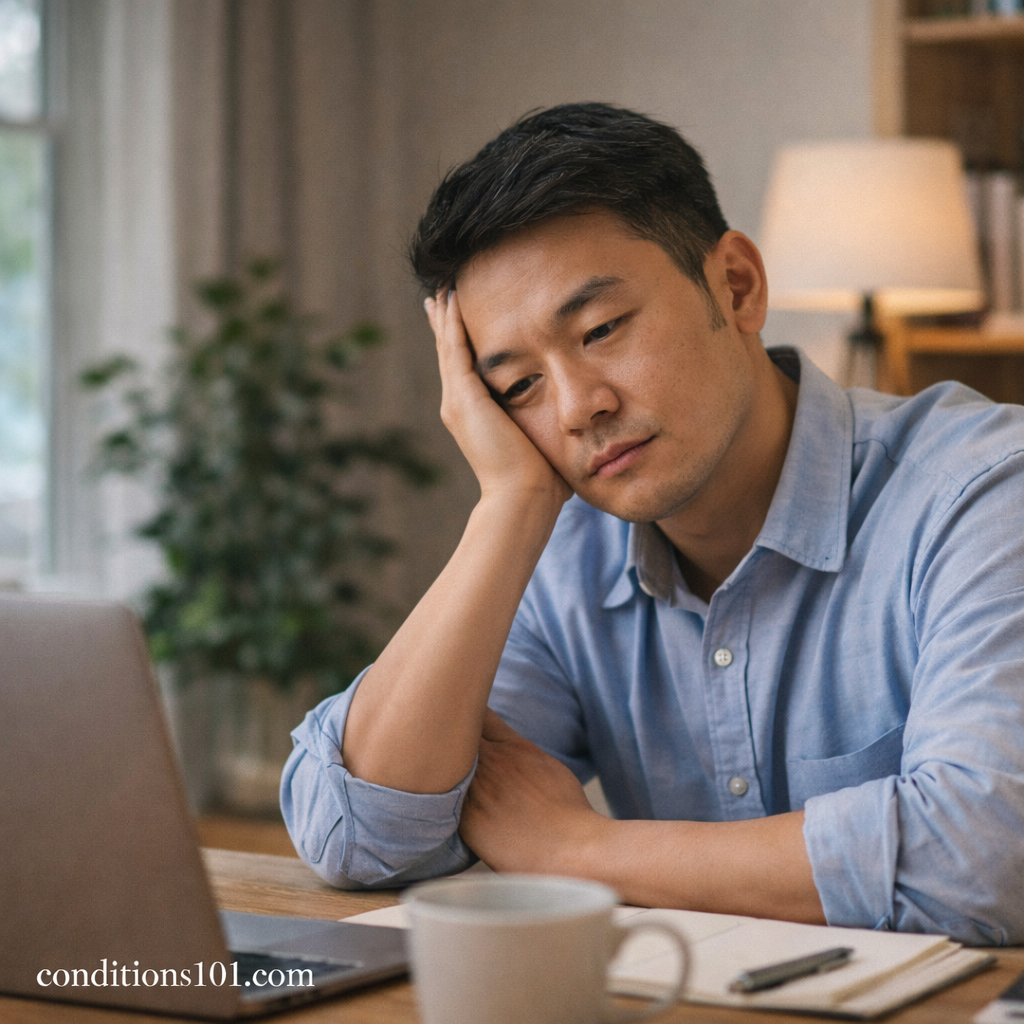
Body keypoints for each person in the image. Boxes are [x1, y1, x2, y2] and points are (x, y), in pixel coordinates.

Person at [281, 103, 1024, 945]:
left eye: (601, 330)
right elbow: (358, 834)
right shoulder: (559, 550)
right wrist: (509, 509)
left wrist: (579, 851)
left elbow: (990, 855)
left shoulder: (984, 491)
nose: (577, 407)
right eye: (517, 386)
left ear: (736, 286)